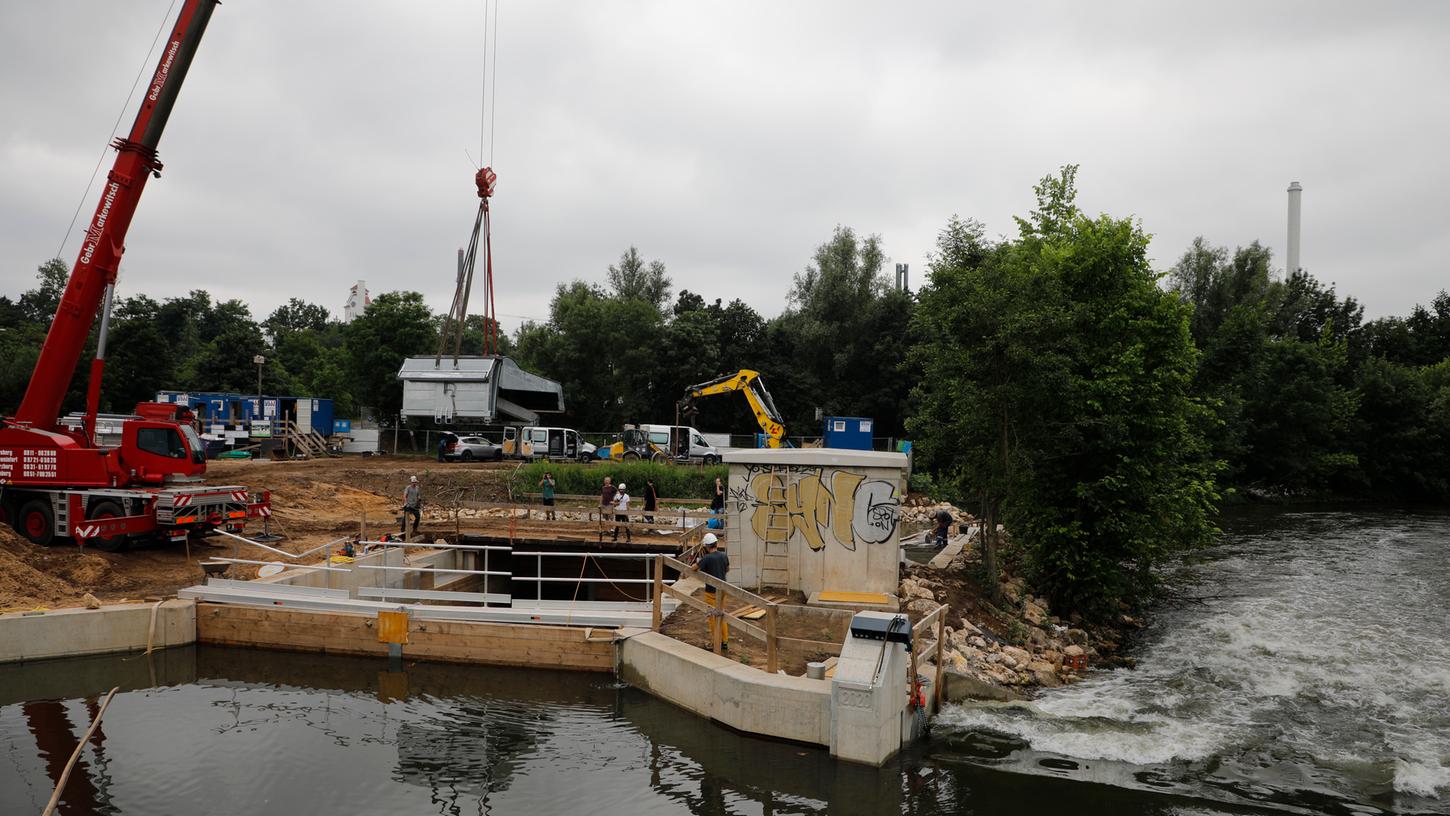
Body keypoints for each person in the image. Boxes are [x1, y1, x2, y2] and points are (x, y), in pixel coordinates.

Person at [694, 533, 729, 649]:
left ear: (707, 546)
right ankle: (724, 641)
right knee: (722, 615)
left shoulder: (707, 558)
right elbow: (728, 569)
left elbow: (694, 568)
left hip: (711, 592)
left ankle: (715, 642)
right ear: (716, 543)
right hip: (723, 590)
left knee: (713, 617)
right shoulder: (724, 555)